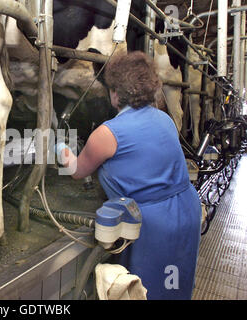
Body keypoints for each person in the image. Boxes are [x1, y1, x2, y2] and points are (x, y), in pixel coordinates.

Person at [55, 51, 201, 300]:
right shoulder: (165, 119)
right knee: (175, 282)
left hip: (154, 224)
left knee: (146, 289)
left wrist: (60, 148)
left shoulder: (108, 134)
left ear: (115, 93)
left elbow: (77, 171)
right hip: (187, 209)